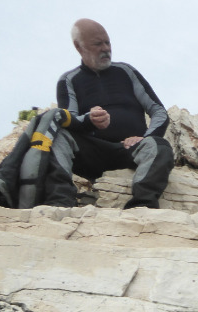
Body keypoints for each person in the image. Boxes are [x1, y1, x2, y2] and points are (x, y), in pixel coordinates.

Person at [55, 18, 173, 208]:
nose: (105, 48)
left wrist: (145, 138)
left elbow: (159, 111)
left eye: (107, 42)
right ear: (79, 46)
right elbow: (70, 120)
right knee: (58, 135)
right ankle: (60, 200)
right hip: (92, 152)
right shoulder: (69, 80)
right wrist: (89, 119)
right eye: (98, 44)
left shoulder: (125, 71)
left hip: (130, 150)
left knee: (160, 146)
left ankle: (142, 204)